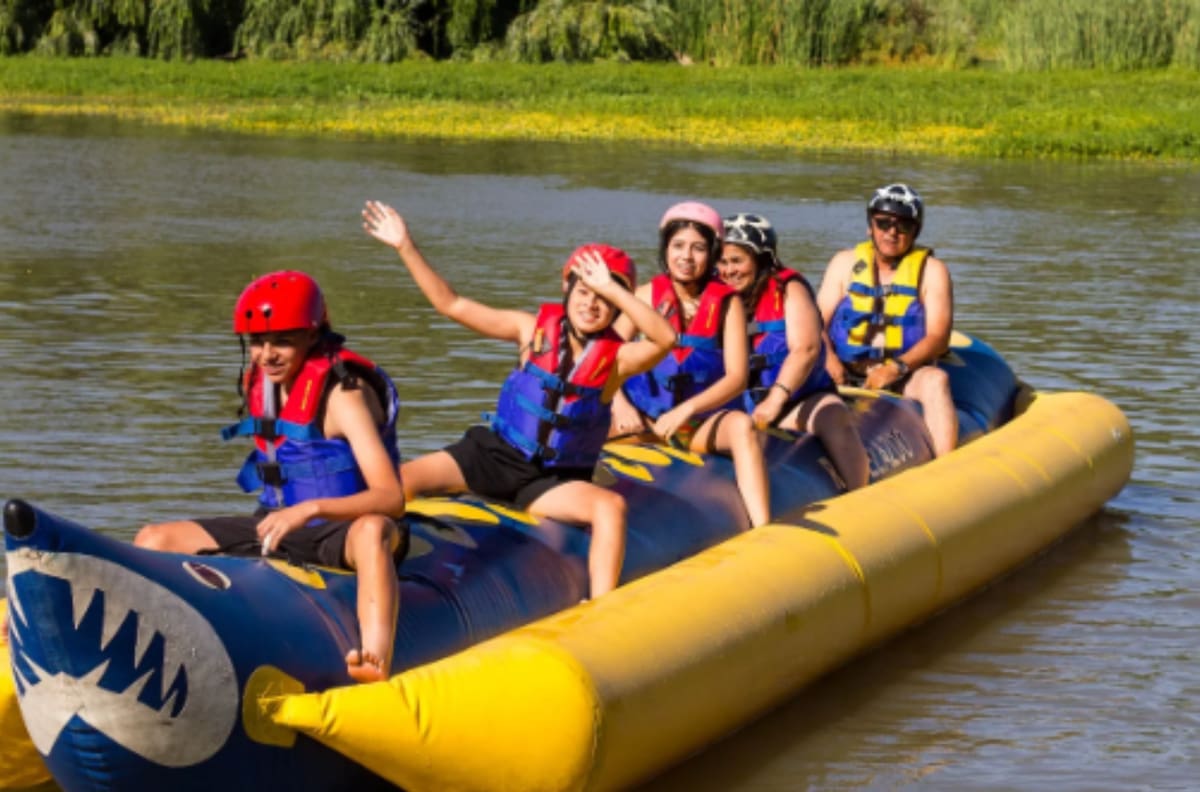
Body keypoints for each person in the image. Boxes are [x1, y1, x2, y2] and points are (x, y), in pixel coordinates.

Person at [361, 199, 676, 599]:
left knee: (610, 509)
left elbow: (665, 338)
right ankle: (378, 566)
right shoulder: (530, 330)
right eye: (583, 291)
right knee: (396, 483)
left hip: (552, 479)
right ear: (567, 289)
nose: (590, 304)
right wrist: (405, 245)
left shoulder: (617, 359)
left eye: (602, 298)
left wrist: (612, 287)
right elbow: (451, 304)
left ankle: (601, 608)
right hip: (493, 455)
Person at [134, 270, 407, 683]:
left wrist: (309, 510)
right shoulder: (263, 384)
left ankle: (374, 658)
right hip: (277, 524)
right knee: (154, 539)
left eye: (282, 341)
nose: (267, 355)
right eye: (258, 342)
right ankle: (138, 639)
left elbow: (391, 497)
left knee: (373, 531)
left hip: (345, 529)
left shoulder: (344, 395)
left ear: (313, 334)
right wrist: (290, 516)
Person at [610, 201, 771, 528]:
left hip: (701, 423)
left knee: (742, 426)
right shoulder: (645, 296)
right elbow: (604, 358)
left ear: (712, 253)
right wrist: (620, 405)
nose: (686, 256)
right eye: (678, 246)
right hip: (644, 419)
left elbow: (737, 377)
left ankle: (762, 527)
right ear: (665, 249)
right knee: (582, 429)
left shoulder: (728, 303)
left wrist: (685, 410)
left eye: (698, 248)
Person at [717, 212, 870, 490]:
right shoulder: (712, 296)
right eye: (723, 262)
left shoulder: (790, 289)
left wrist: (776, 399)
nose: (729, 271)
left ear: (761, 260)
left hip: (798, 401)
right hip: (741, 406)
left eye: (737, 261)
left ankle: (860, 491)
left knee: (833, 416)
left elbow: (806, 348)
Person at [816, 183, 958, 456]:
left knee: (936, 380)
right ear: (870, 226)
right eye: (883, 223)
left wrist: (895, 368)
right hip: (844, 372)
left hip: (904, 376)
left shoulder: (932, 271)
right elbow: (815, 322)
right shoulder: (844, 263)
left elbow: (938, 337)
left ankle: (944, 465)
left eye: (903, 225)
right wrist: (829, 360)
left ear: (915, 231)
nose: (892, 232)